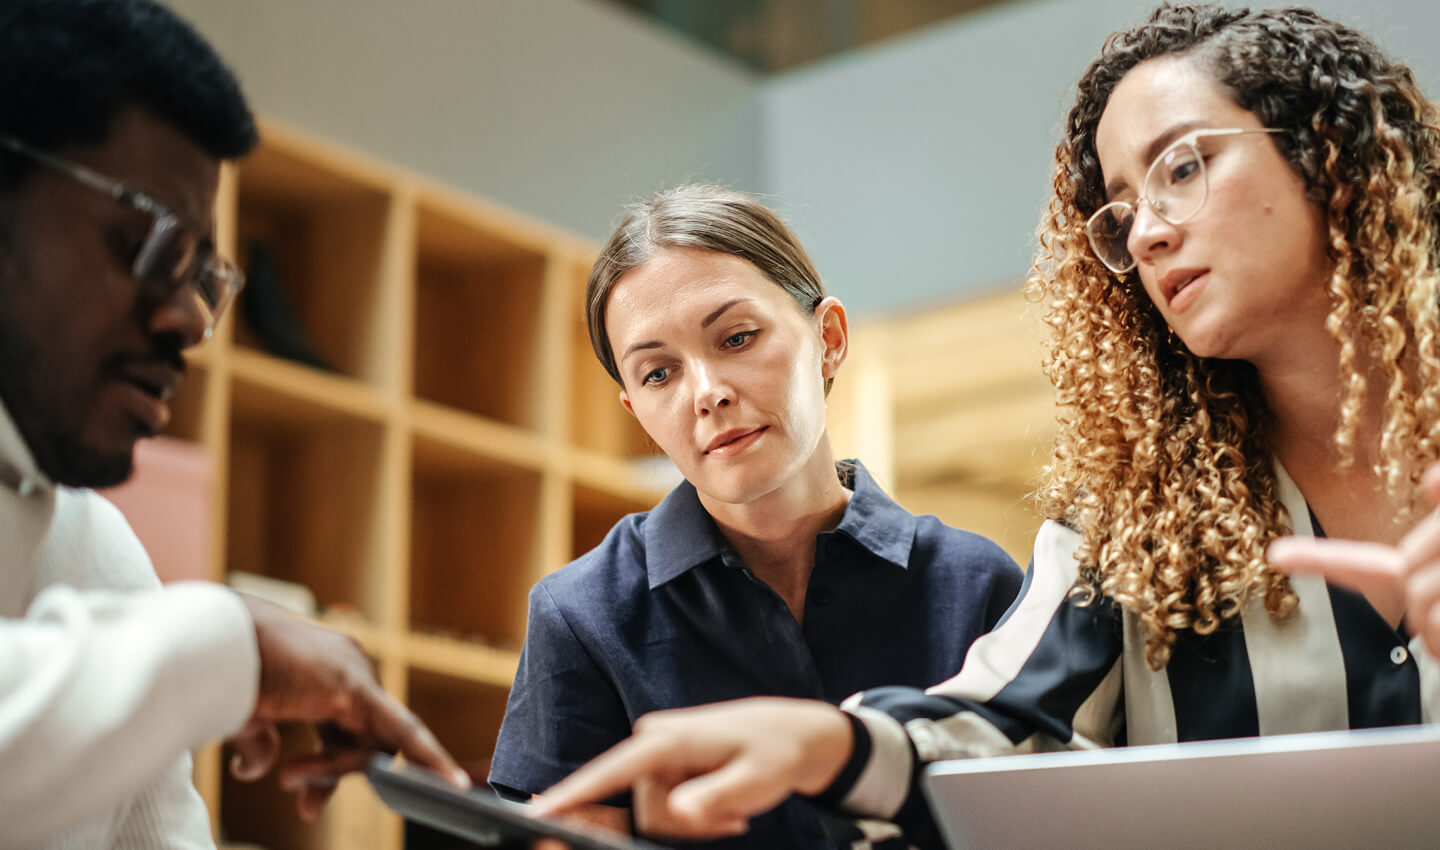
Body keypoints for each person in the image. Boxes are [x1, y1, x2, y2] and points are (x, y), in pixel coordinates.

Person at [533, 6, 1440, 848]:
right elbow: (1006, 727)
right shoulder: (1127, 529)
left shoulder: (960, 572)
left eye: (1184, 167)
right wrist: (833, 746)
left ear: (1329, 151)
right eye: (1121, 211)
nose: (1150, 234)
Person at [0, 1, 465, 847]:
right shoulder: (176, 631)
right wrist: (232, 643)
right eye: (146, 244)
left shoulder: (97, 550)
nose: (185, 319)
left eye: (204, 278)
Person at [488, 184, 1022, 848]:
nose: (707, 394)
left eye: (737, 337)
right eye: (658, 375)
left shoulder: (978, 585)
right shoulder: (581, 617)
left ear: (828, 338)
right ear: (637, 413)